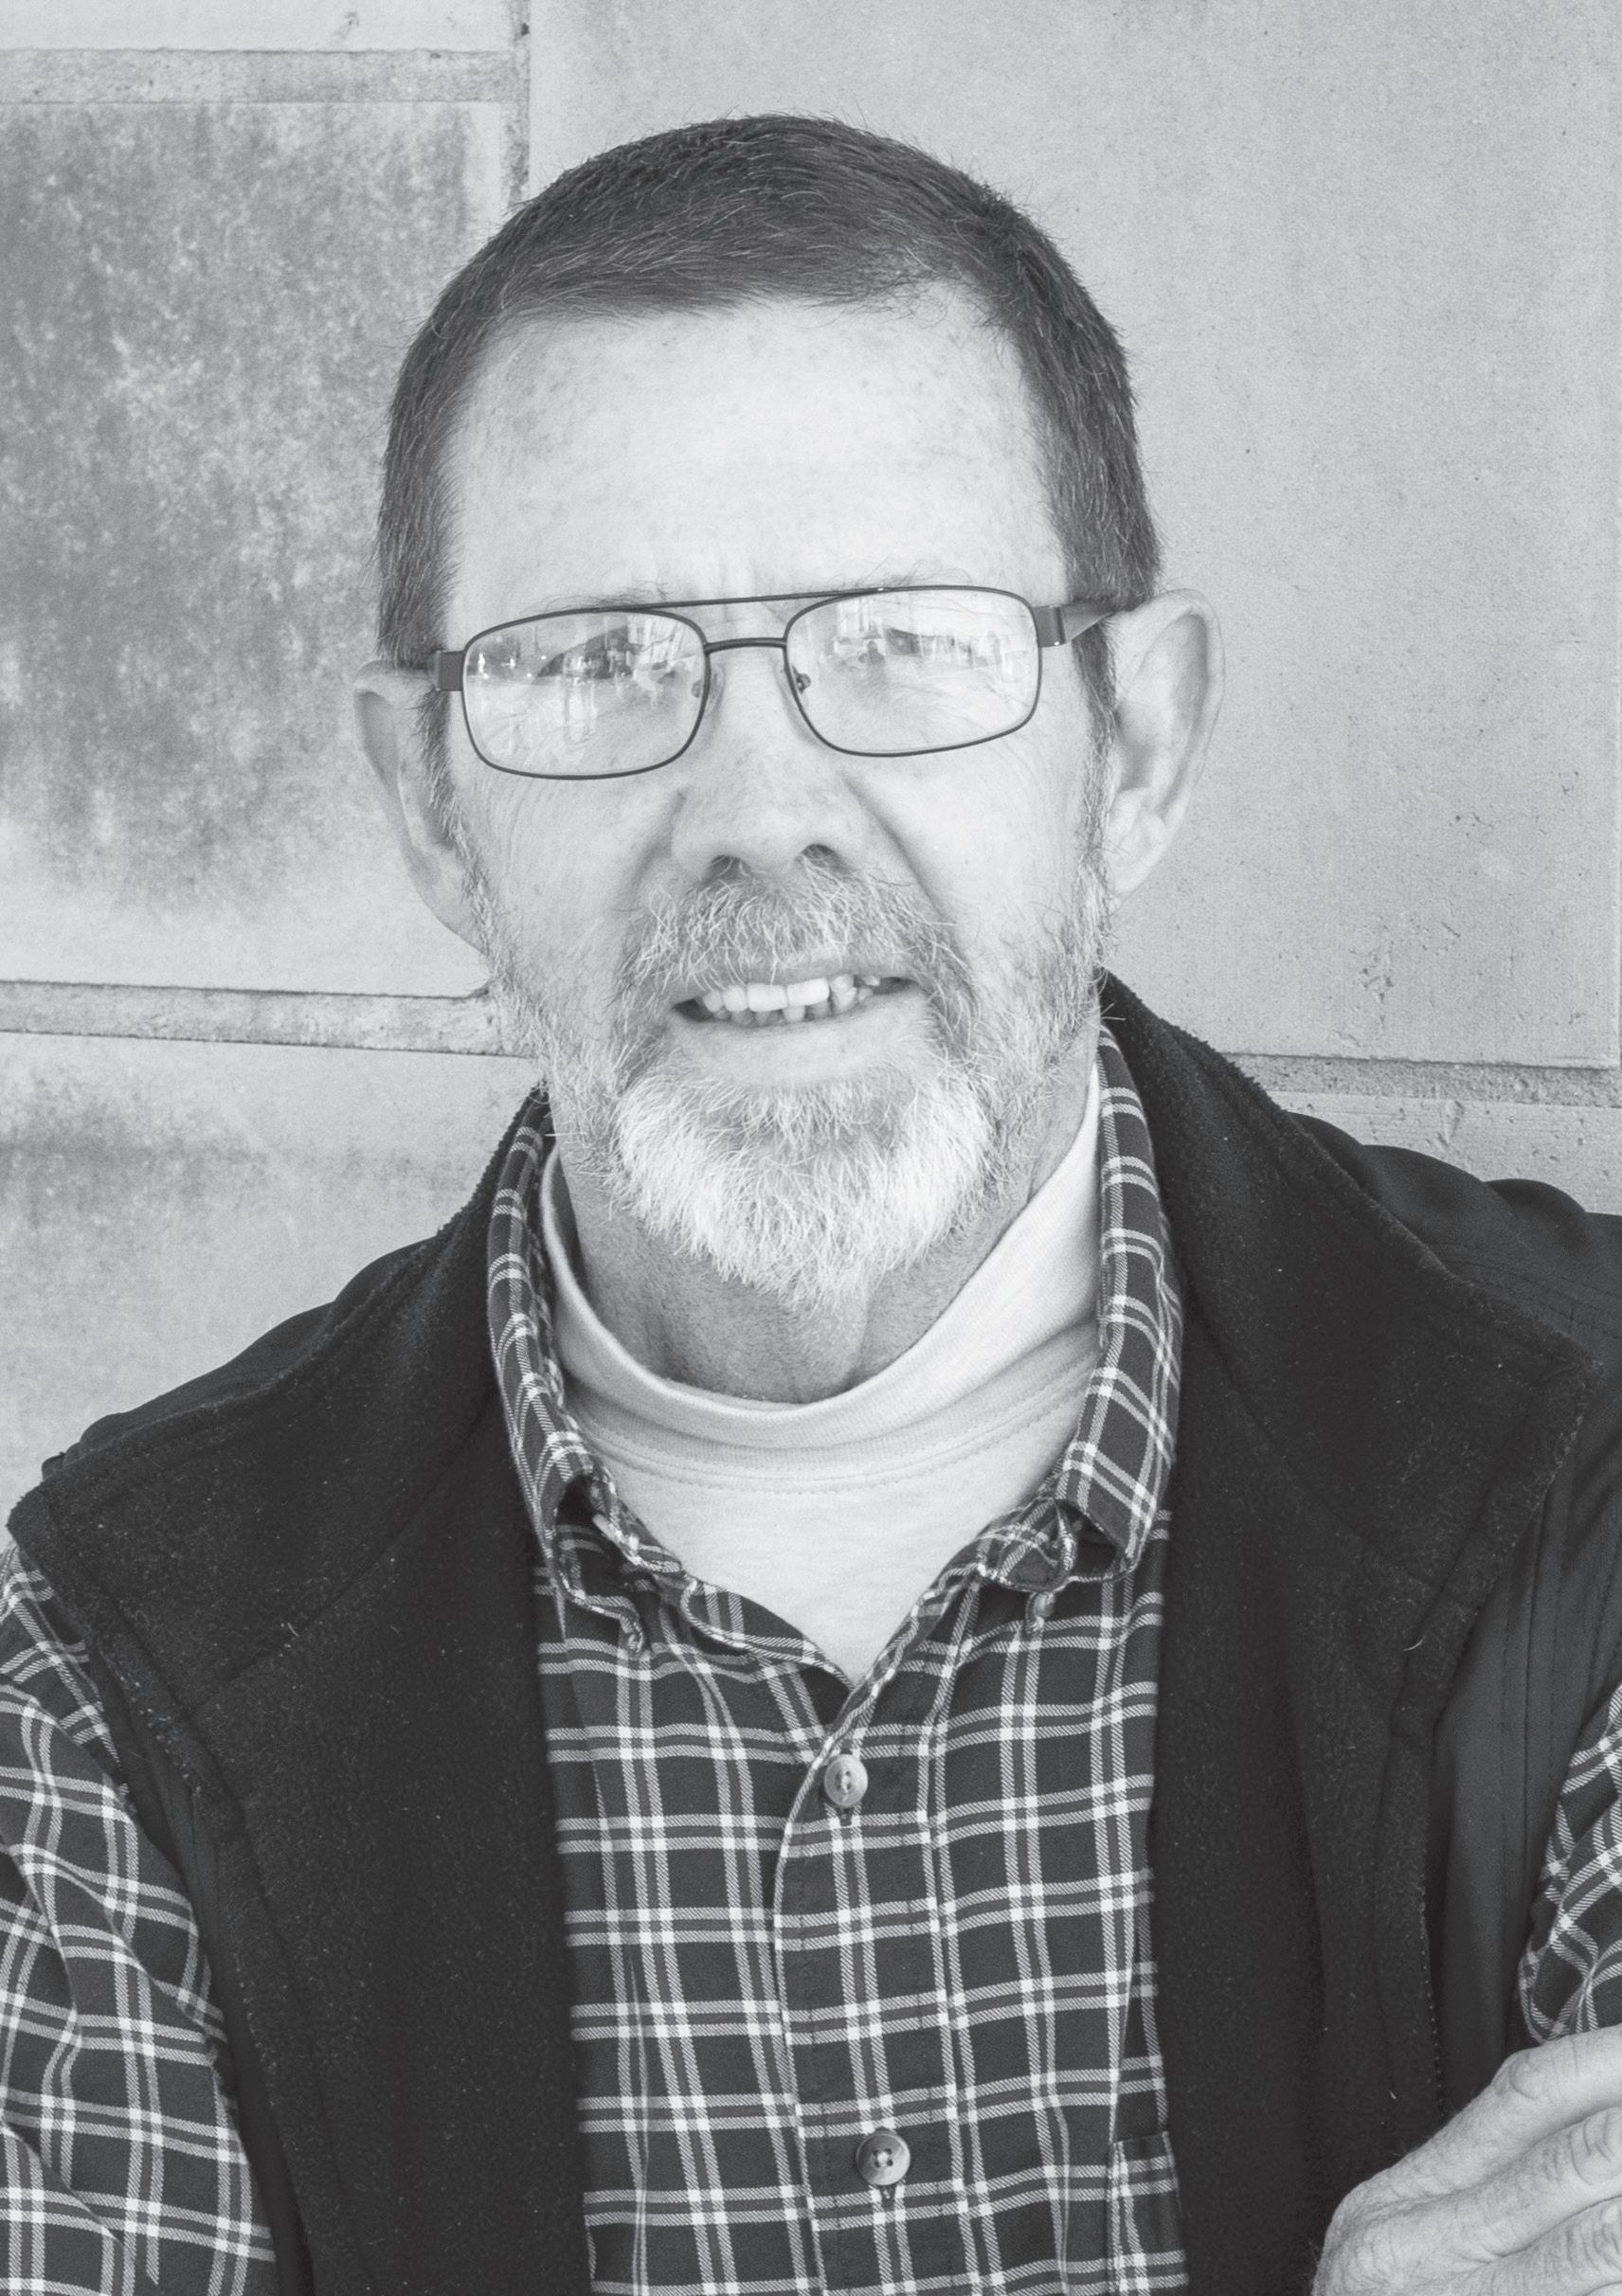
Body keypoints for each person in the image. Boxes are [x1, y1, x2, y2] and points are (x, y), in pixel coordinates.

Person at [8, 110, 1622, 2296]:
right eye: (597, 661)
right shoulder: (116, 1676)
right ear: (431, 807)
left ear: (1133, 745)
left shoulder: (1582, 1486)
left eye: (908, 643)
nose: (761, 812)